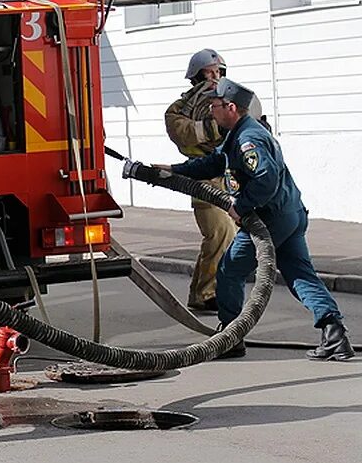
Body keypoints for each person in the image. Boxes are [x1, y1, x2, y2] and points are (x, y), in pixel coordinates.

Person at [130, 78, 353, 361]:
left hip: (269, 220)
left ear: (231, 107)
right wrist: (173, 171)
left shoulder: (248, 139)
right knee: (300, 275)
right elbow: (213, 163)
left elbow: (266, 179)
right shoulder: (238, 134)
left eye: (214, 105)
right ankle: (335, 334)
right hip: (290, 215)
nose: (211, 110)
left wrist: (242, 206)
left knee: (230, 270)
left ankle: (231, 336)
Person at [164, 49, 236, 312]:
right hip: (202, 179)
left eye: (219, 72)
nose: (215, 77)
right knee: (219, 233)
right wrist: (218, 125)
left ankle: (201, 293)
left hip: (229, 178)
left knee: (225, 237)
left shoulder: (229, 100)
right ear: (196, 76)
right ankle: (207, 293)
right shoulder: (178, 109)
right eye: (209, 72)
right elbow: (184, 134)